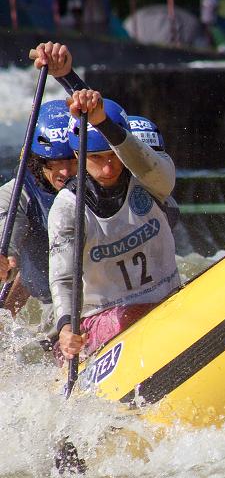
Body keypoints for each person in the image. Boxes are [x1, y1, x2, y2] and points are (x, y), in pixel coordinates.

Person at [49, 91, 180, 363]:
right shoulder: (68, 207)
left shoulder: (149, 178)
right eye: (97, 158)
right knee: (130, 316)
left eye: (113, 156)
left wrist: (102, 122)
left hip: (168, 300)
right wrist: (66, 327)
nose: (108, 169)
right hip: (103, 316)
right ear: (78, 154)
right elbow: (64, 277)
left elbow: (162, 176)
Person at [0, 100, 76, 322]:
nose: (65, 172)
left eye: (72, 160)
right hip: (56, 304)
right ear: (37, 160)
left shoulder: (103, 174)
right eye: (54, 162)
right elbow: (5, 228)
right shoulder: (17, 193)